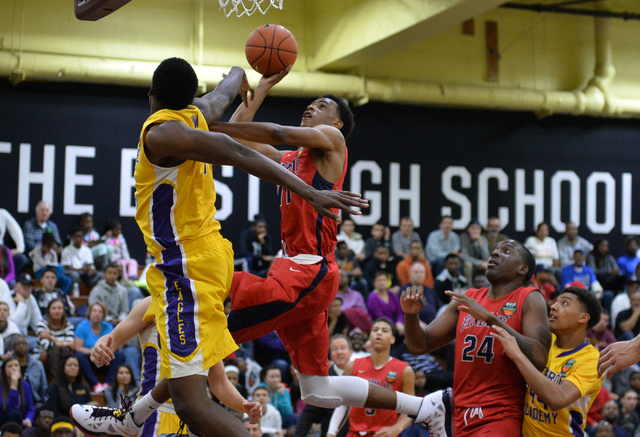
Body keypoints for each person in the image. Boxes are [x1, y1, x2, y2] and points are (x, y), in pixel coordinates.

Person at [401, 239, 551, 437]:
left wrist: (490, 318)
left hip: (501, 412)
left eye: (506, 251)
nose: (495, 254)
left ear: (522, 269)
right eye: (495, 250)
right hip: (461, 412)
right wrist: (411, 316)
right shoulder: (469, 298)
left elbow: (540, 357)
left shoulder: (529, 297)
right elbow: (419, 345)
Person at [491, 286, 603, 436]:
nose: (554, 306)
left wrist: (517, 356)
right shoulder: (544, 342)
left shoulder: (592, 360)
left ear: (583, 317)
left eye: (564, 303)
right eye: (556, 301)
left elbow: (558, 398)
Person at [327, 318, 414, 437]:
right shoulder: (353, 366)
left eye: (384, 330)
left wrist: (397, 428)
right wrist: (331, 432)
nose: (379, 333)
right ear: (369, 337)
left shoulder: (404, 370)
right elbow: (343, 404)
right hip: (355, 433)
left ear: (392, 339)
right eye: (375, 330)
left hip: (383, 434)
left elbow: (411, 408)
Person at [293, 335, 353, 437]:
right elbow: (309, 414)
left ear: (351, 352)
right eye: (335, 349)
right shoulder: (323, 378)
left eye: (343, 348)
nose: (339, 352)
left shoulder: (359, 375)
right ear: (330, 354)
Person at [74, 302, 124, 392]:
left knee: (119, 355)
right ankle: (96, 384)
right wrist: (94, 351)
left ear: (103, 315)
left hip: (105, 359)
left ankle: (108, 384)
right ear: (89, 313)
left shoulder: (108, 326)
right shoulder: (82, 326)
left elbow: (114, 345)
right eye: (94, 311)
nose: (97, 314)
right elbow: (78, 348)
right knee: (79, 356)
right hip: (90, 360)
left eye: (100, 312)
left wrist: (102, 352)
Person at [36, 299, 75, 383]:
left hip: (62, 351)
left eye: (59, 308)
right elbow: (46, 346)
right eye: (54, 308)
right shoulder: (42, 324)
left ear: (63, 310)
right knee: (55, 350)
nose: (57, 311)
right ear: (49, 311)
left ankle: (64, 379)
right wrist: (62, 343)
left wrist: (51, 338)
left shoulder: (68, 325)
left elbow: (71, 345)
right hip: (43, 353)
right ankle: (60, 380)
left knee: (64, 350)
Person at [3, 273, 42, 350]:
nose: (27, 288)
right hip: (8, 338)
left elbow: (37, 321)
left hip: (24, 338)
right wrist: (22, 304)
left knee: (42, 343)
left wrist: (43, 333)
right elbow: (13, 325)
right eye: (24, 285)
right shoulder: (6, 298)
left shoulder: (31, 298)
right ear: (15, 286)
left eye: (30, 286)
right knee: (21, 332)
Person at [11, 335, 47, 409]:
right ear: (13, 348)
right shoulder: (7, 365)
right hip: (12, 402)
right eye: (18, 344)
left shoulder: (37, 364)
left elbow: (43, 387)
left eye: (24, 343)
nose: (21, 346)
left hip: (34, 402)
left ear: (28, 346)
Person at [0, 357, 35, 427]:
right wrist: (13, 386)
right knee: (15, 414)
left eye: (16, 365)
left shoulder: (25, 385)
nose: (14, 368)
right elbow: (7, 409)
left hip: (22, 422)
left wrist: (29, 419)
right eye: (10, 366)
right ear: (4, 370)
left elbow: (31, 408)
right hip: (3, 421)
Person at [367, 272, 404, 336]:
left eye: (384, 280)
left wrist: (399, 322)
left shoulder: (393, 295)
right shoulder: (372, 297)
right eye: (379, 280)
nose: (382, 282)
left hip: (397, 325)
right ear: (374, 283)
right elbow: (379, 315)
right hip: (381, 325)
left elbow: (400, 311)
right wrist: (395, 324)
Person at [0, 209, 28, 276]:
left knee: (22, 259)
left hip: (2, 252)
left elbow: (15, 229)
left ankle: (15, 282)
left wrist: (20, 249)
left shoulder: (2, 213)